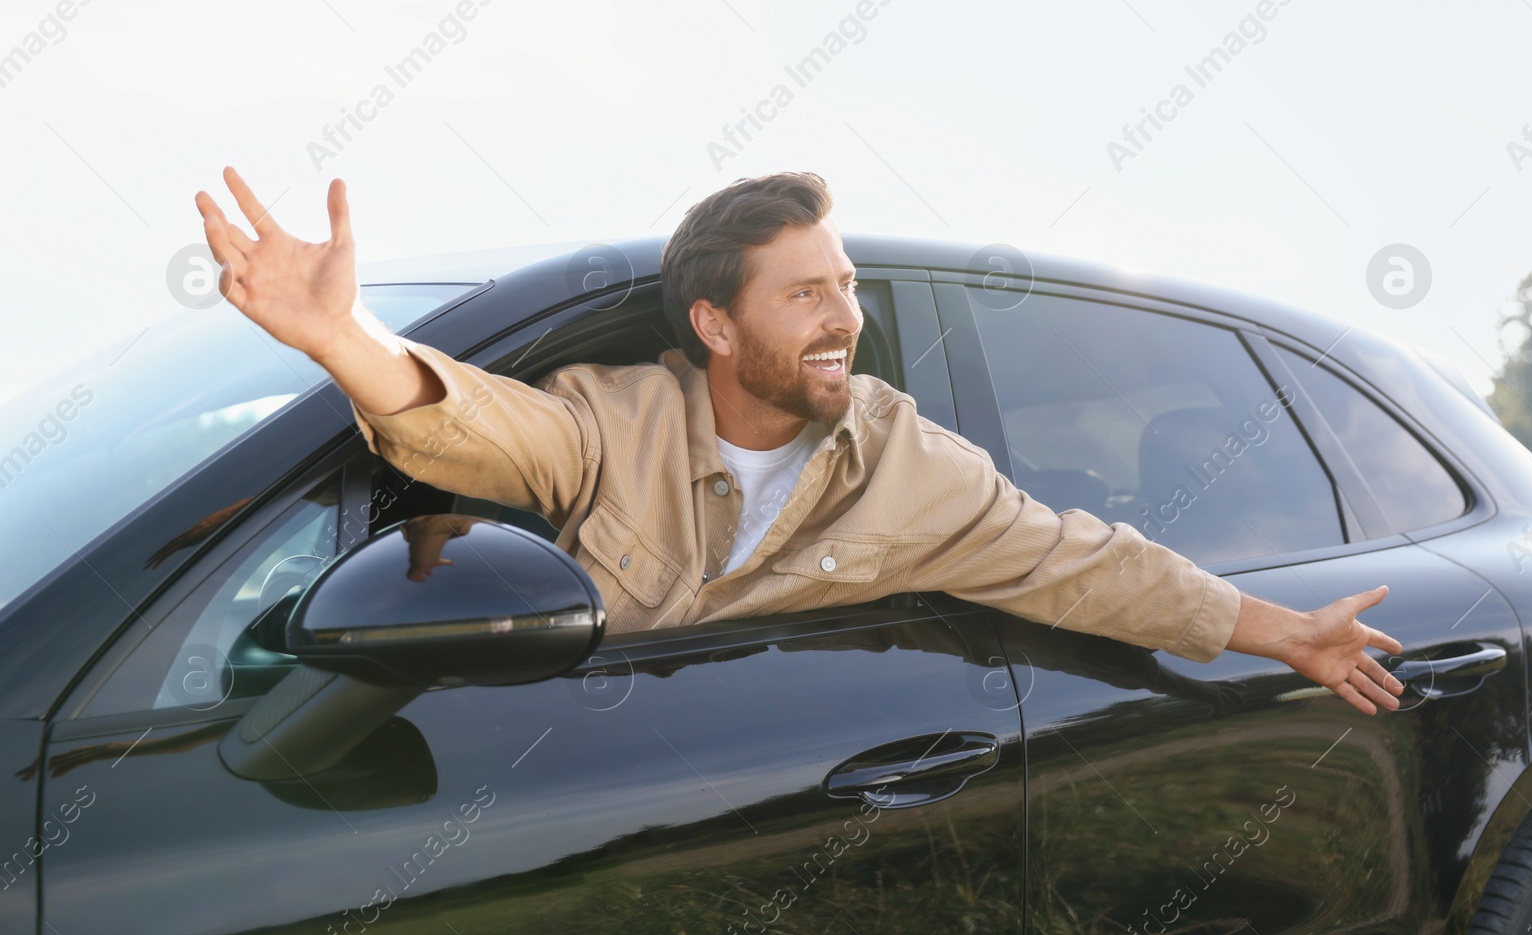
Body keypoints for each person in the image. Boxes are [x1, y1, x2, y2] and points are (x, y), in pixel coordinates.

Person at [194, 165, 1405, 716]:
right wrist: (338, 334)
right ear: (715, 323)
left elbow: (1082, 560)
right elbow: (472, 423)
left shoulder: (910, 463)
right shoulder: (616, 419)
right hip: (603, 784)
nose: (845, 317)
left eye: (848, 283)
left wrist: (1281, 628)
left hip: (781, 791)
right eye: (807, 294)